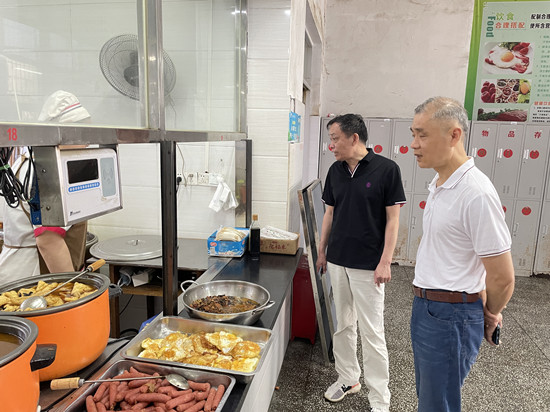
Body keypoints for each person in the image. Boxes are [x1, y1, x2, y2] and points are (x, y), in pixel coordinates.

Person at [409, 97, 515, 412]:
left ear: (454, 135)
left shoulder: (475, 193)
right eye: (413, 134)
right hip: (429, 308)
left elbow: (502, 276)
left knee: (437, 405)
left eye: (422, 135)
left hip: (451, 316)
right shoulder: (440, 183)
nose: (414, 144)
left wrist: (491, 313)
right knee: (430, 399)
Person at [316, 114, 406, 412]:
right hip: (338, 260)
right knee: (343, 324)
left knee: (372, 331)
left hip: (369, 265)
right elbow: (329, 214)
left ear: (354, 138)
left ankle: (379, 399)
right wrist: (322, 251)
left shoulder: (387, 170)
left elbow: (393, 220)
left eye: (335, 139)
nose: (331, 145)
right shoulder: (335, 171)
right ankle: (348, 379)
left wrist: (386, 261)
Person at [0, 91, 91, 287]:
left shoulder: (30, 162)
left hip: (26, 273)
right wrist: (70, 290)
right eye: (80, 135)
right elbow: (49, 242)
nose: (86, 143)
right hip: (33, 279)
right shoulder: (44, 171)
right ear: (59, 134)